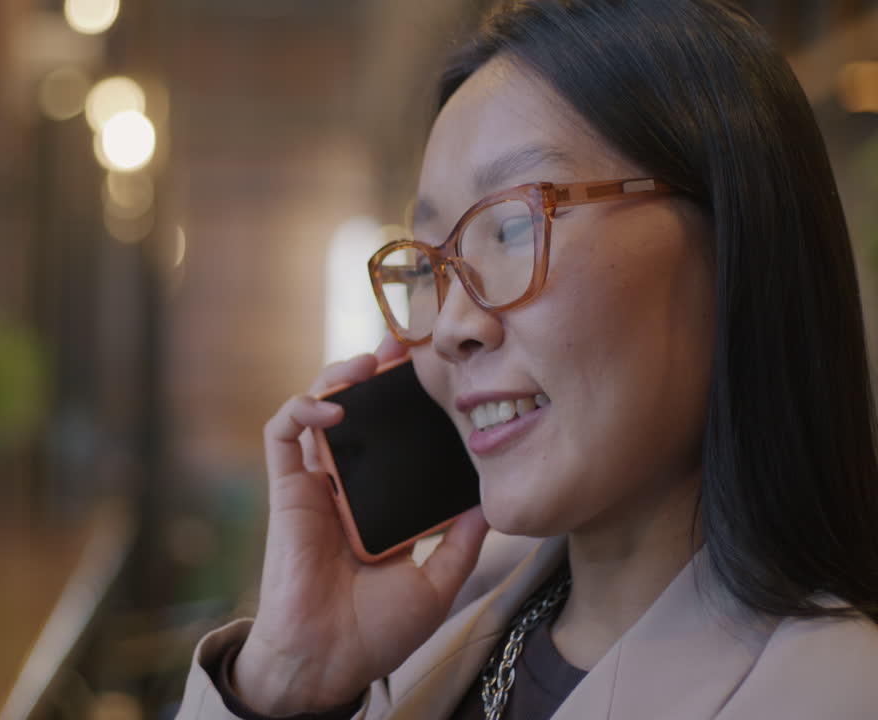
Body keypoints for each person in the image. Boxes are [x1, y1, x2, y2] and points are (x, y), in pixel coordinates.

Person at [176, 0, 878, 718]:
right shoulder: (419, 629)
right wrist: (288, 680)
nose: (449, 326)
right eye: (427, 269)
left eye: (512, 228)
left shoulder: (833, 694)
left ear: (734, 236)